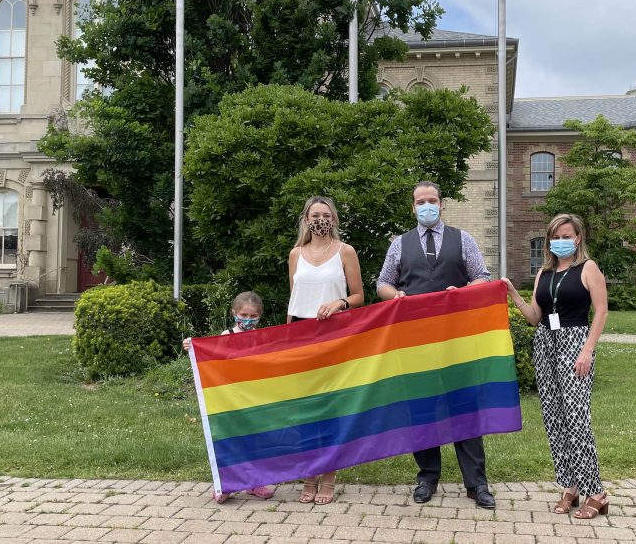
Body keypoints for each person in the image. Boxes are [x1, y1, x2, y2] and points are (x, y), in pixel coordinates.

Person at [376, 180, 495, 509]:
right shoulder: (400, 244)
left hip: (457, 339)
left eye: (432, 200)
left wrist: (465, 292)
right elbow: (383, 282)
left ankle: (476, 483)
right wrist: (395, 295)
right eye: (420, 201)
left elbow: (482, 277)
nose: (426, 205)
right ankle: (427, 477)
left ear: (442, 205)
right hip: (416, 341)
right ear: (413, 207)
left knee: (464, 409)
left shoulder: (463, 239)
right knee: (423, 410)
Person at [502, 213, 609, 519]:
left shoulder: (588, 268)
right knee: (554, 419)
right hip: (545, 344)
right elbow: (536, 316)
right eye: (556, 236)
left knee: (577, 419)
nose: (561, 241)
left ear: (578, 238)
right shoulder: (543, 273)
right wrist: (512, 293)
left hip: (575, 343)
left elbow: (601, 312)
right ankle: (569, 487)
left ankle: (597, 492)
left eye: (567, 236)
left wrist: (587, 350)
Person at [287, 195, 365, 505]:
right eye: (315, 214)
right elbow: (293, 300)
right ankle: (310, 474)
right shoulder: (295, 254)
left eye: (326, 214)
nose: (321, 218)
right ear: (306, 219)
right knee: (308, 410)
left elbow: (359, 294)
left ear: (334, 219)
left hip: (334, 335)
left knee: (331, 409)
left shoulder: (346, 252)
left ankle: (329, 475)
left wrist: (340, 302)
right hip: (302, 336)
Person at [183, 291, 276, 505]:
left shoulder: (263, 338)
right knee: (231, 440)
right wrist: (193, 347)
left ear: (260, 316)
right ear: (234, 312)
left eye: (253, 317)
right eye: (243, 314)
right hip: (230, 399)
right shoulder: (226, 336)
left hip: (255, 399)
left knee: (255, 441)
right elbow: (211, 359)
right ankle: (227, 484)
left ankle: (255, 483)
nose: (248, 320)